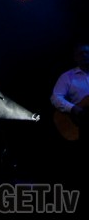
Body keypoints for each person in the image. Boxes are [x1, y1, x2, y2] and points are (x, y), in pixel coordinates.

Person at [50, 41, 89, 190]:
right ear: (75, 57)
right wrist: (73, 109)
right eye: (80, 53)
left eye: (87, 52)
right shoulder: (68, 76)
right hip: (80, 125)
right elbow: (56, 97)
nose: (84, 55)